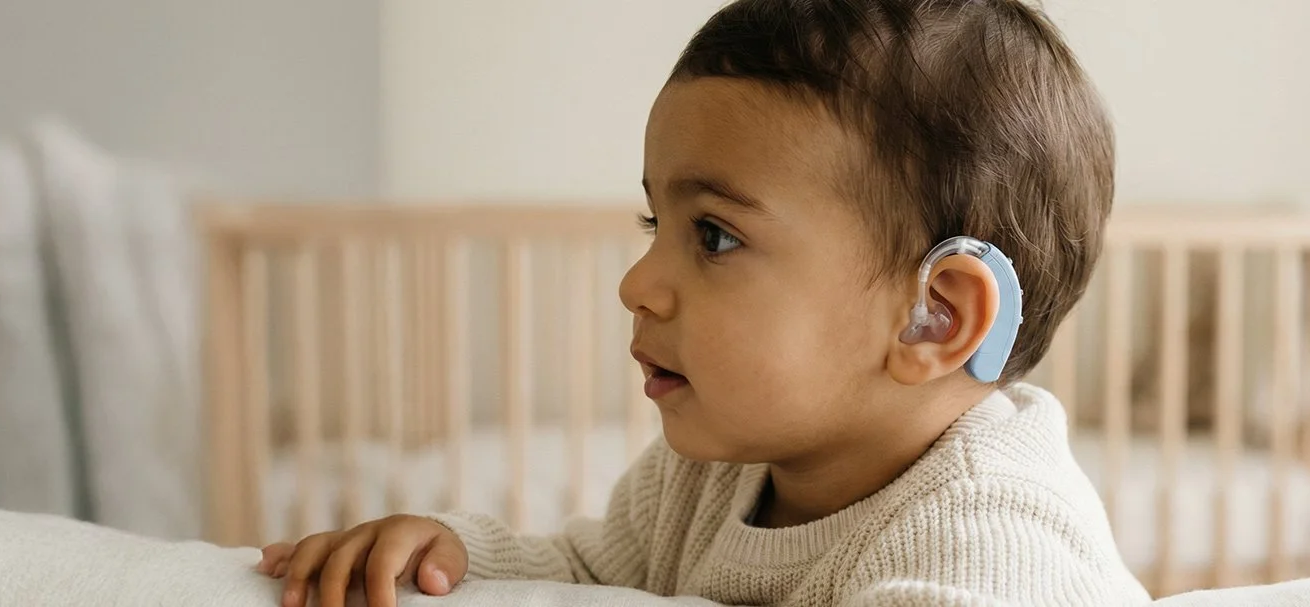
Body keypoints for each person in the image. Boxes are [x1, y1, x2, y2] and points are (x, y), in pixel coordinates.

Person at [256, 0, 1150, 605]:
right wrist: (455, 554)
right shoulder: (711, 469)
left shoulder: (989, 531)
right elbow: (592, 574)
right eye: (657, 220)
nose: (636, 284)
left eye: (714, 235)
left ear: (934, 317)